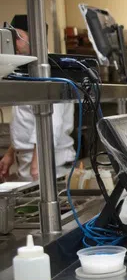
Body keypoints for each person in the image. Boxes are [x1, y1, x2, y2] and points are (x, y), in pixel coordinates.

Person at [0, 15, 75, 182]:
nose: (13, 44)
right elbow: (26, 119)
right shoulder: (24, 70)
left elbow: (51, 123)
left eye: (18, 37)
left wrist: (38, 163)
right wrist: (11, 153)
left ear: (36, 39)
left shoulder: (51, 71)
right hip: (32, 158)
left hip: (50, 161)